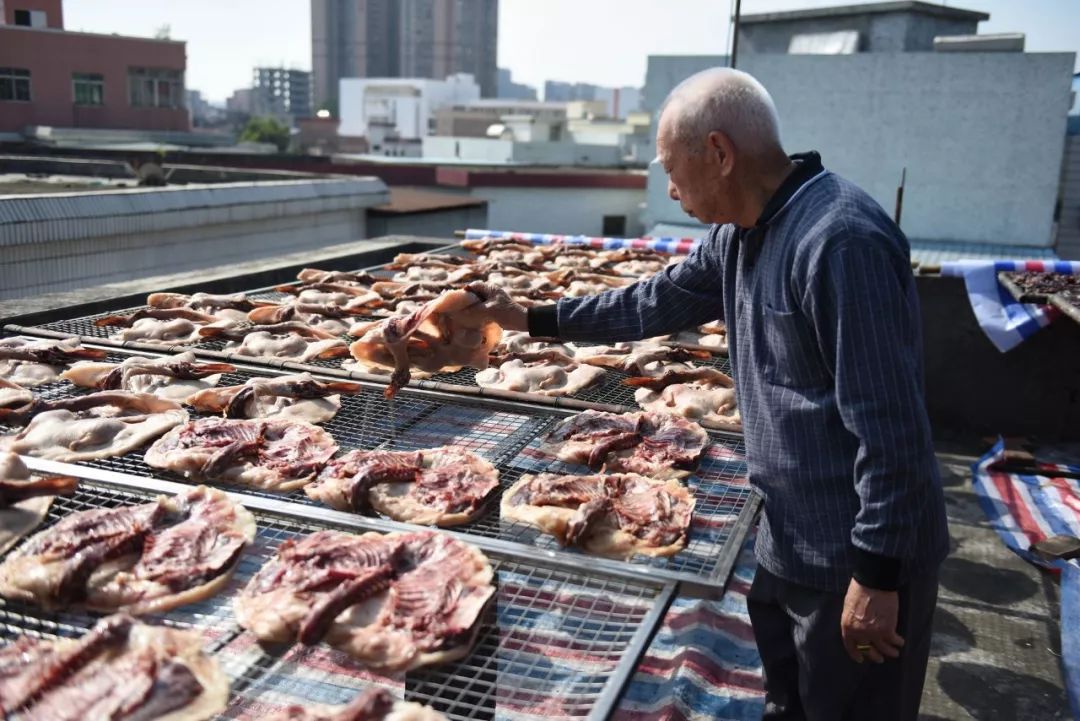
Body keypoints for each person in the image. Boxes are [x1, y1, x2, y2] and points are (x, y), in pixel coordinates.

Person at [464, 67, 948, 721]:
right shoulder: (738, 233)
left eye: (672, 168)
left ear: (718, 154)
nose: (668, 187)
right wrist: (531, 317)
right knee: (788, 701)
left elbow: (891, 427)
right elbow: (653, 301)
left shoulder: (840, 242)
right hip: (788, 537)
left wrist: (879, 574)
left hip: (854, 557)